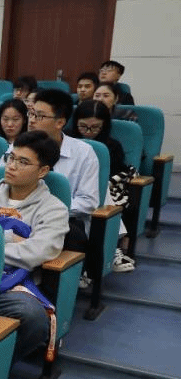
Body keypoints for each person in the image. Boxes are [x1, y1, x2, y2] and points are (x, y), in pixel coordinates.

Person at [0, 131, 69, 360]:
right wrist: (10, 238)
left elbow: (36, 252)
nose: (11, 166)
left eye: (23, 162)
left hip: (12, 285)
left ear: (43, 171)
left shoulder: (53, 209)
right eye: (11, 158)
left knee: (33, 316)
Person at [68, 99, 136, 273]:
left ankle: (105, 253)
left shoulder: (111, 146)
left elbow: (114, 175)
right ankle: (111, 249)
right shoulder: (66, 141)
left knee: (100, 189)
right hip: (73, 190)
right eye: (83, 126)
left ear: (104, 126)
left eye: (95, 127)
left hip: (105, 190)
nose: (88, 132)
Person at [28, 88, 99, 252]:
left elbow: (88, 202)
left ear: (60, 122)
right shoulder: (18, 147)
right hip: (20, 215)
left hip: (64, 222)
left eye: (39, 116)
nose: (31, 120)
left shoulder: (83, 153)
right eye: (31, 114)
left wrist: (48, 210)